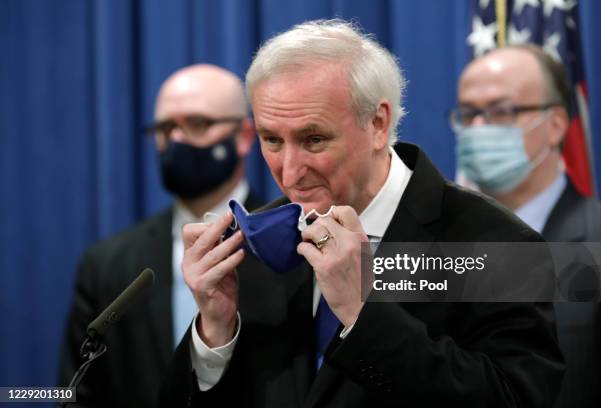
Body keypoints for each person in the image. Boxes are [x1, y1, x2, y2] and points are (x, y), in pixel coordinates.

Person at [159, 20, 564, 407]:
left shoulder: (498, 242)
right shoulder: (254, 246)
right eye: (272, 140)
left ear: (378, 123)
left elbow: (513, 398)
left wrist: (363, 314)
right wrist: (215, 334)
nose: (289, 171)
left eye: (313, 139)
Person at [59, 64, 261, 407]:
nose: (177, 140)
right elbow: (75, 394)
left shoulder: (290, 246)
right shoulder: (107, 265)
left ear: (243, 136)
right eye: (166, 128)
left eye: (198, 124)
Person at [452, 44, 601, 408]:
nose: (478, 128)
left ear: (556, 124)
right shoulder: (435, 242)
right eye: (468, 113)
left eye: (501, 112)